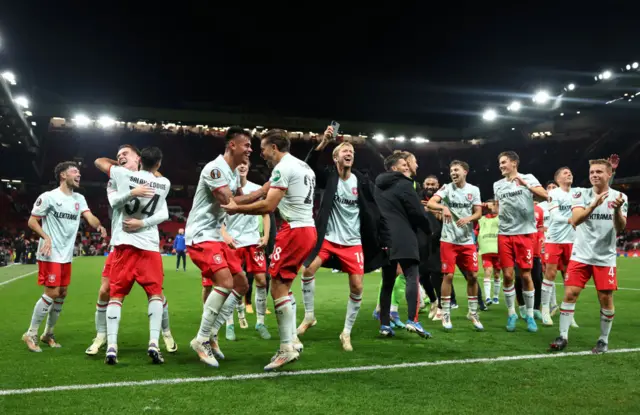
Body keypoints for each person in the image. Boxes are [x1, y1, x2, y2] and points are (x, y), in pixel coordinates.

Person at [222, 128, 317, 371]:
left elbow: (267, 205)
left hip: (294, 230)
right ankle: (292, 341)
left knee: (277, 286)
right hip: (307, 229)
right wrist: (232, 201)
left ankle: (286, 347)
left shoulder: (282, 168)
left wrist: (236, 210)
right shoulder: (302, 167)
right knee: (283, 284)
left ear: (274, 147)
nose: (261, 153)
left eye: (263, 148)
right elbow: (262, 191)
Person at [298, 125, 385, 351]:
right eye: (345, 151)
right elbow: (308, 166)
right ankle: (309, 316)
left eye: (352, 152)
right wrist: (324, 142)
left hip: (353, 242)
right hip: (327, 238)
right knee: (307, 270)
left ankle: (346, 332)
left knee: (357, 287)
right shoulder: (329, 176)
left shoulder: (362, 180)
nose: (349, 154)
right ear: (336, 157)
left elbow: (377, 205)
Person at [185, 127, 267, 368]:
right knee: (225, 283)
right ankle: (201, 339)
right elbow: (230, 203)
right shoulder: (215, 169)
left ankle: (211, 334)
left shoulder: (231, 173)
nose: (250, 150)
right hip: (201, 235)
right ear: (232, 145)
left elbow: (242, 197)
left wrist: (266, 193)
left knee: (241, 283)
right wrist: (262, 191)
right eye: (246, 145)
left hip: (216, 237)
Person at [86, 144, 177, 356]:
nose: (120, 158)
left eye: (125, 154)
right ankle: (101, 335)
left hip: (144, 241)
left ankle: (165, 332)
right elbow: (100, 164)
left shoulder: (153, 180)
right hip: (121, 242)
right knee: (106, 291)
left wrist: (141, 224)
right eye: (118, 156)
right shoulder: (117, 178)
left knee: (156, 293)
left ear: (138, 158)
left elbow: (162, 212)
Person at [22, 162, 107, 352]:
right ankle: (31, 333)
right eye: (74, 171)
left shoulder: (79, 198)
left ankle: (48, 333)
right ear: (62, 175)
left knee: (62, 293)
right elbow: (32, 221)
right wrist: (46, 237)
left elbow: (89, 216)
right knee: (51, 292)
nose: (79, 174)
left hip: (66, 255)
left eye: (79, 172)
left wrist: (98, 225)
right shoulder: (49, 197)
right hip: (50, 253)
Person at [549, 159, 627, 353]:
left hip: (605, 257)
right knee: (569, 294)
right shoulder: (579, 194)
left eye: (599, 172)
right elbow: (576, 219)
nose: (594, 175)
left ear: (609, 174)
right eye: (592, 172)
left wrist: (616, 209)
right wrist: (593, 205)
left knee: (605, 299)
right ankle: (563, 336)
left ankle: (603, 339)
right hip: (580, 255)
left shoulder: (620, 197)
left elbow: (620, 228)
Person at [374, 152, 432, 338]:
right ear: (394, 168)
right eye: (403, 165)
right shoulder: (405, 184)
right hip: (404, 235)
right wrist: (428, 228)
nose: (407, 167)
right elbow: (416, 212)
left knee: (387, 282)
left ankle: (384, 325)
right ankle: (413, 320)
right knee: (411, 276)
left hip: (384, 238)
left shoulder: (378, 186)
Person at [493, 151, 547, 332]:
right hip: (504, 234)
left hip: (525, 234)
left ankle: (530, 315)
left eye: (504, 162)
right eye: (499, 163)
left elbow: (545, 196)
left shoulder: (528, 178)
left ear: (514, 162)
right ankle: (511, 313)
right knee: (508, 276)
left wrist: (526, 186)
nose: (501, 166)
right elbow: (498, 206)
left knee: (525, 275)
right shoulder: (498, 185)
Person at [427, 160, 483, 331]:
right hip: (448, 240)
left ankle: (473, 313)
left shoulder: (473, 190)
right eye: (451, 170)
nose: (453, 173)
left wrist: (469, 219)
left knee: (473, 276)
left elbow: (479, 212)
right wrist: (442, 208)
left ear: (465, 171)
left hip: (467, 241)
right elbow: (431, 203)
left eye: (456, 170)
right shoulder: (446, 188)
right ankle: (445, 314)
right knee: (448, 277)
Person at [220, 160, 272, 341]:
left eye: (245, 164)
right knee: (232, 284)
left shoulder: (256, 189)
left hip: (252, 241)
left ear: (249, 168)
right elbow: (217, 217)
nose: (242, 166)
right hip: (233, 243)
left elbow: (265, 213)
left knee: (262, 280)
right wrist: (225, 235)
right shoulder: (225, 190)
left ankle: (260, 322)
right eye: (239, 164)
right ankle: (229, 324)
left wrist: (265, 236)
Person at [478, 199, 501, 305]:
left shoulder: (500, 218)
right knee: (488, 272)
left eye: (493, 206)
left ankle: (496, 296)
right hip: (486, 249)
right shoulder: (481, 219)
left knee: (497, 274)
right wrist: (481, 208)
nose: (490, 208)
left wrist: (497, 207)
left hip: (498, 250)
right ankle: (487, 297)